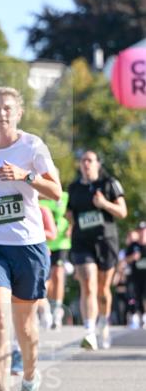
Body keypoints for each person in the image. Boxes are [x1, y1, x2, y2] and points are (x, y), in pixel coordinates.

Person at [0, 87, 62, 391]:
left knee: (26, 329)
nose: (1, 114)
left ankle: (29, 380)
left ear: (18, 113)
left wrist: (26, 176)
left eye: (8, 108)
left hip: (28, 246)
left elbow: (56, 190)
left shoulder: (32, 146)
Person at [66, 150, 128, 350]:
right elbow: (70, 215)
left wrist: (103, 204)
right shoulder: (74, 188)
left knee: (102, 290)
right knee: (88, 284)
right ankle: (89, 332)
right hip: (82, 243)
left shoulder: (110, 184)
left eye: (90, 160)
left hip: (106, 242)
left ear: (98, 164)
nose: (86, 164)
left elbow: (122, 212)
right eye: (83, 160)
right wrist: (69, 230)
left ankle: (103, 323)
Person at [40, 190, 71, 329]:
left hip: (60, 243)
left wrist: (71, 227)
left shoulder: (63, 196)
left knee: (58, 274)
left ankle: (58, 309)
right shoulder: (34, 194)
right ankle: (46, 306)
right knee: (47, 280)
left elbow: (72, 214)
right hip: (43, 243)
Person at [125, 222, 146, 328]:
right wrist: (133, 257)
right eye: (140, 231)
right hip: (135, 277)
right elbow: (125, 260)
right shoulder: (133, 246)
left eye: (144, 230)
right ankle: (137, 316)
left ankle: (145, 317)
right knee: (135, 297)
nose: (142, 233)